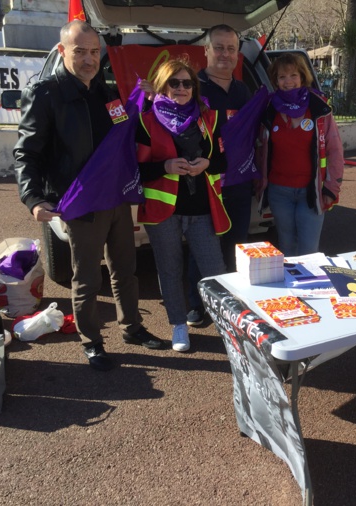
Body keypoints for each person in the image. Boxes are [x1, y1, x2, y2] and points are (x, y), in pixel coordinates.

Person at [14, 20, 163, 371]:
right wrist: (33, 199)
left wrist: (143, 101)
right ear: (62, 51)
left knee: (126, 269)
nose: (88, 59)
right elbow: (26, 153)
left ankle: (132, 327)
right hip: (79, 202)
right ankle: (92, 341)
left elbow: (122, 132)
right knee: (86, 278)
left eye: (95, 52)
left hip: (114, 198)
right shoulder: (45, 92)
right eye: (80, 51)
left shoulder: (105, 91)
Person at [136, 59, 228, 352]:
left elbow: (225, 160)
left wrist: (207, 164)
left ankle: (229, 325)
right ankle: (178, 325)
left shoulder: (209, 119)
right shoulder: (146, 120)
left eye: (187, 83)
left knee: (215, 271)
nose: (181, 88)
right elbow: (136, 170)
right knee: (170, 270)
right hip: (165, 212)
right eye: (173, 83)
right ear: (162, 86)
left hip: (202, 210)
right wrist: (165, 165)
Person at [185, 24, 253, 328]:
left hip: (238, 182)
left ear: (237, 54)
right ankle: (195, 305)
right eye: (219, 47)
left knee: (235, 244)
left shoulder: (243, 90)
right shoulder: (190, 86)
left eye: (231, 48)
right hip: (203, 184)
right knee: (202, 246)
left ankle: (228, 299)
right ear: (206, 51)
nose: (225, 53)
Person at [257, 53, 344, 256]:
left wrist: (331, 189)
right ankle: (291, 288)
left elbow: (335, 151)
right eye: (282, 77)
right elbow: (259, 149)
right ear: (275, 81)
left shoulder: (319, 107)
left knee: (309, 252)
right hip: (279, 192)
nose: (288, 81)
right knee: (286, 247)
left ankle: (308, 288)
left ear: (302, 77)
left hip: (310, 191)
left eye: (293, 75)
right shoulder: (269, 109)